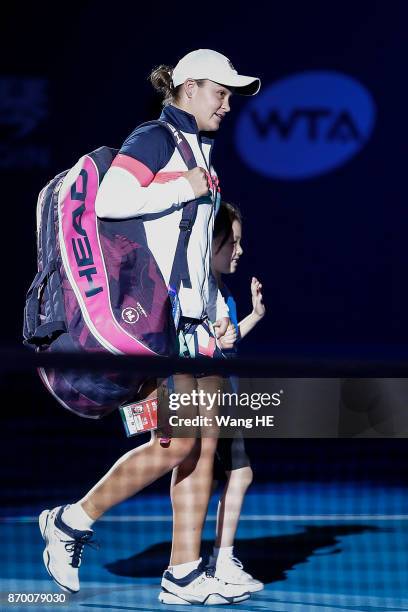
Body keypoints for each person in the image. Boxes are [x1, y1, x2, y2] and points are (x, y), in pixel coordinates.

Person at [39, 49, 261, 606]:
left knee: (201, 451)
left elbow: (188, 252)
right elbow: (112, 201)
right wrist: (183, 187)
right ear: (188, 89)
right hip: (157, 328)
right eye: (220, 92)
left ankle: (182, 572)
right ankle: (70, 522)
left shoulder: (198, 151)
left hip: (191, 325)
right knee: (176, 445)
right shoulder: (155, 138)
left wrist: (211, 311)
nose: (228, 103)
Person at [182, 201, 264, 592]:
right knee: (206, 473)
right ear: (210, 243)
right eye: (232, 242)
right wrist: (215, 339)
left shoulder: (221, 291)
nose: (240, 250)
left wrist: (252, 318)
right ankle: (205, 563)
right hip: (202, 397)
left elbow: (225, 347)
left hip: (224, 396)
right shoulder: (196, 293)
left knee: (238, 474)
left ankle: (217, 559)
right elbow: (200, 346)